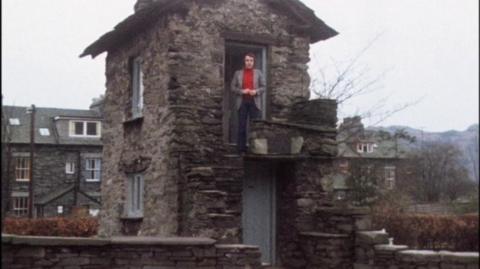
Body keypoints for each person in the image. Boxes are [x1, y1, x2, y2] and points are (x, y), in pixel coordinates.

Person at [230, 53, 266, 154]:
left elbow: (263, 87)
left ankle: (255, 149)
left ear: (253, 62)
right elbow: (232, 87)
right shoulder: (238, 73)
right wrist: (242, 91)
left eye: (251, 60)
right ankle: (241, 150)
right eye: (247, 60)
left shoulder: (258, 73)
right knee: (242, 126)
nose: (249, 62)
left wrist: (256, 91)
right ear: (244, 61)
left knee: (255, 126)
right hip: (242, 103)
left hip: (255, 103)